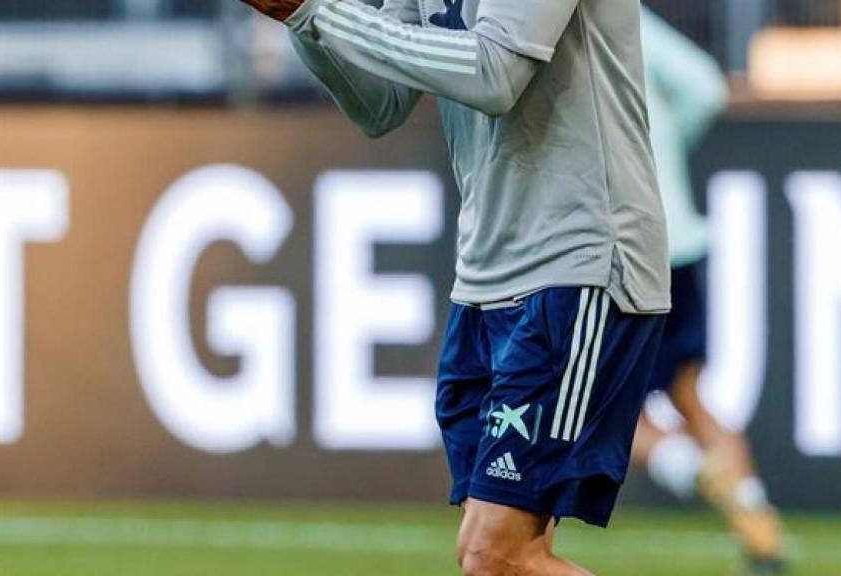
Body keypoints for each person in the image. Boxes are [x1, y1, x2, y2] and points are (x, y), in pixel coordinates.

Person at [236, 0, 671, 574]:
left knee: (496, 554)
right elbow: (379, 103)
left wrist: (323, 12)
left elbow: (495, 73)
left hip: (579, 258)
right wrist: (301, 19)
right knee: (494, 554)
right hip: (486, 277)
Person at [630, 7, 786, 575]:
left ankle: (691, 468)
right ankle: (759, 525)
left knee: (601, 412)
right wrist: (663, 155)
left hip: (614, 245)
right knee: (689, 392)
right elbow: (703, 86)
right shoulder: (628, 16)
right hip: (678, 236)